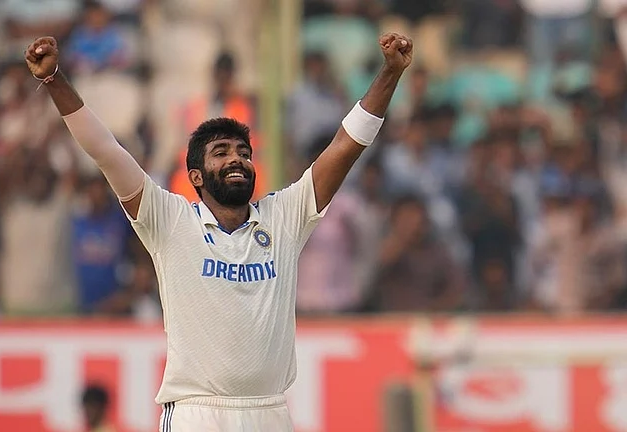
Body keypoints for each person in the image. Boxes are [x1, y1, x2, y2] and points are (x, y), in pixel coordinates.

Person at [25, 31, 412, 431]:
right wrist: (54, 79)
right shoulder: (169, 219)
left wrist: (390, 73)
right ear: (195, 175)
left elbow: (345, 147)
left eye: (244, 153)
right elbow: (105, 150)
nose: (238, 160)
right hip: (198, 413)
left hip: (270, 413)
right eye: (222, 152)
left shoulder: (284, 217)